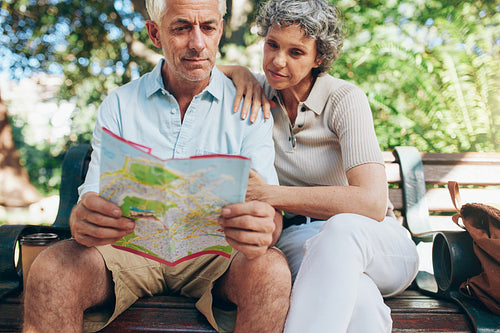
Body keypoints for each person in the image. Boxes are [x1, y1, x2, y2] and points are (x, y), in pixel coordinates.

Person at [22, 1, 292, 332]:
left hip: (218, 255)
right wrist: (84, 217)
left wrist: (267, 227)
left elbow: (268, 208)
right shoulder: (120, 103)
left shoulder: (249, 105)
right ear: (154, 33)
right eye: (181, 28)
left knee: (272, 270)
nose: (197, 43)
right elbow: (92, 195)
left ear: (220, 29)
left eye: (207, 27)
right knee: (52, 269)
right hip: (128, 250)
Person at [220, 0, 420, 332]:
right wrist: (236, 71)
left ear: (319, 57)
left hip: (374, 241)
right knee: (361, 304)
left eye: (296, 52)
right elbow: (189, 65)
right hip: (300, 240)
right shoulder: (256, 91)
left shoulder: (343, 99)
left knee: (341, 231)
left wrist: (270, 195)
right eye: (272, 45)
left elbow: (370, 202)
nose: (278, 61)